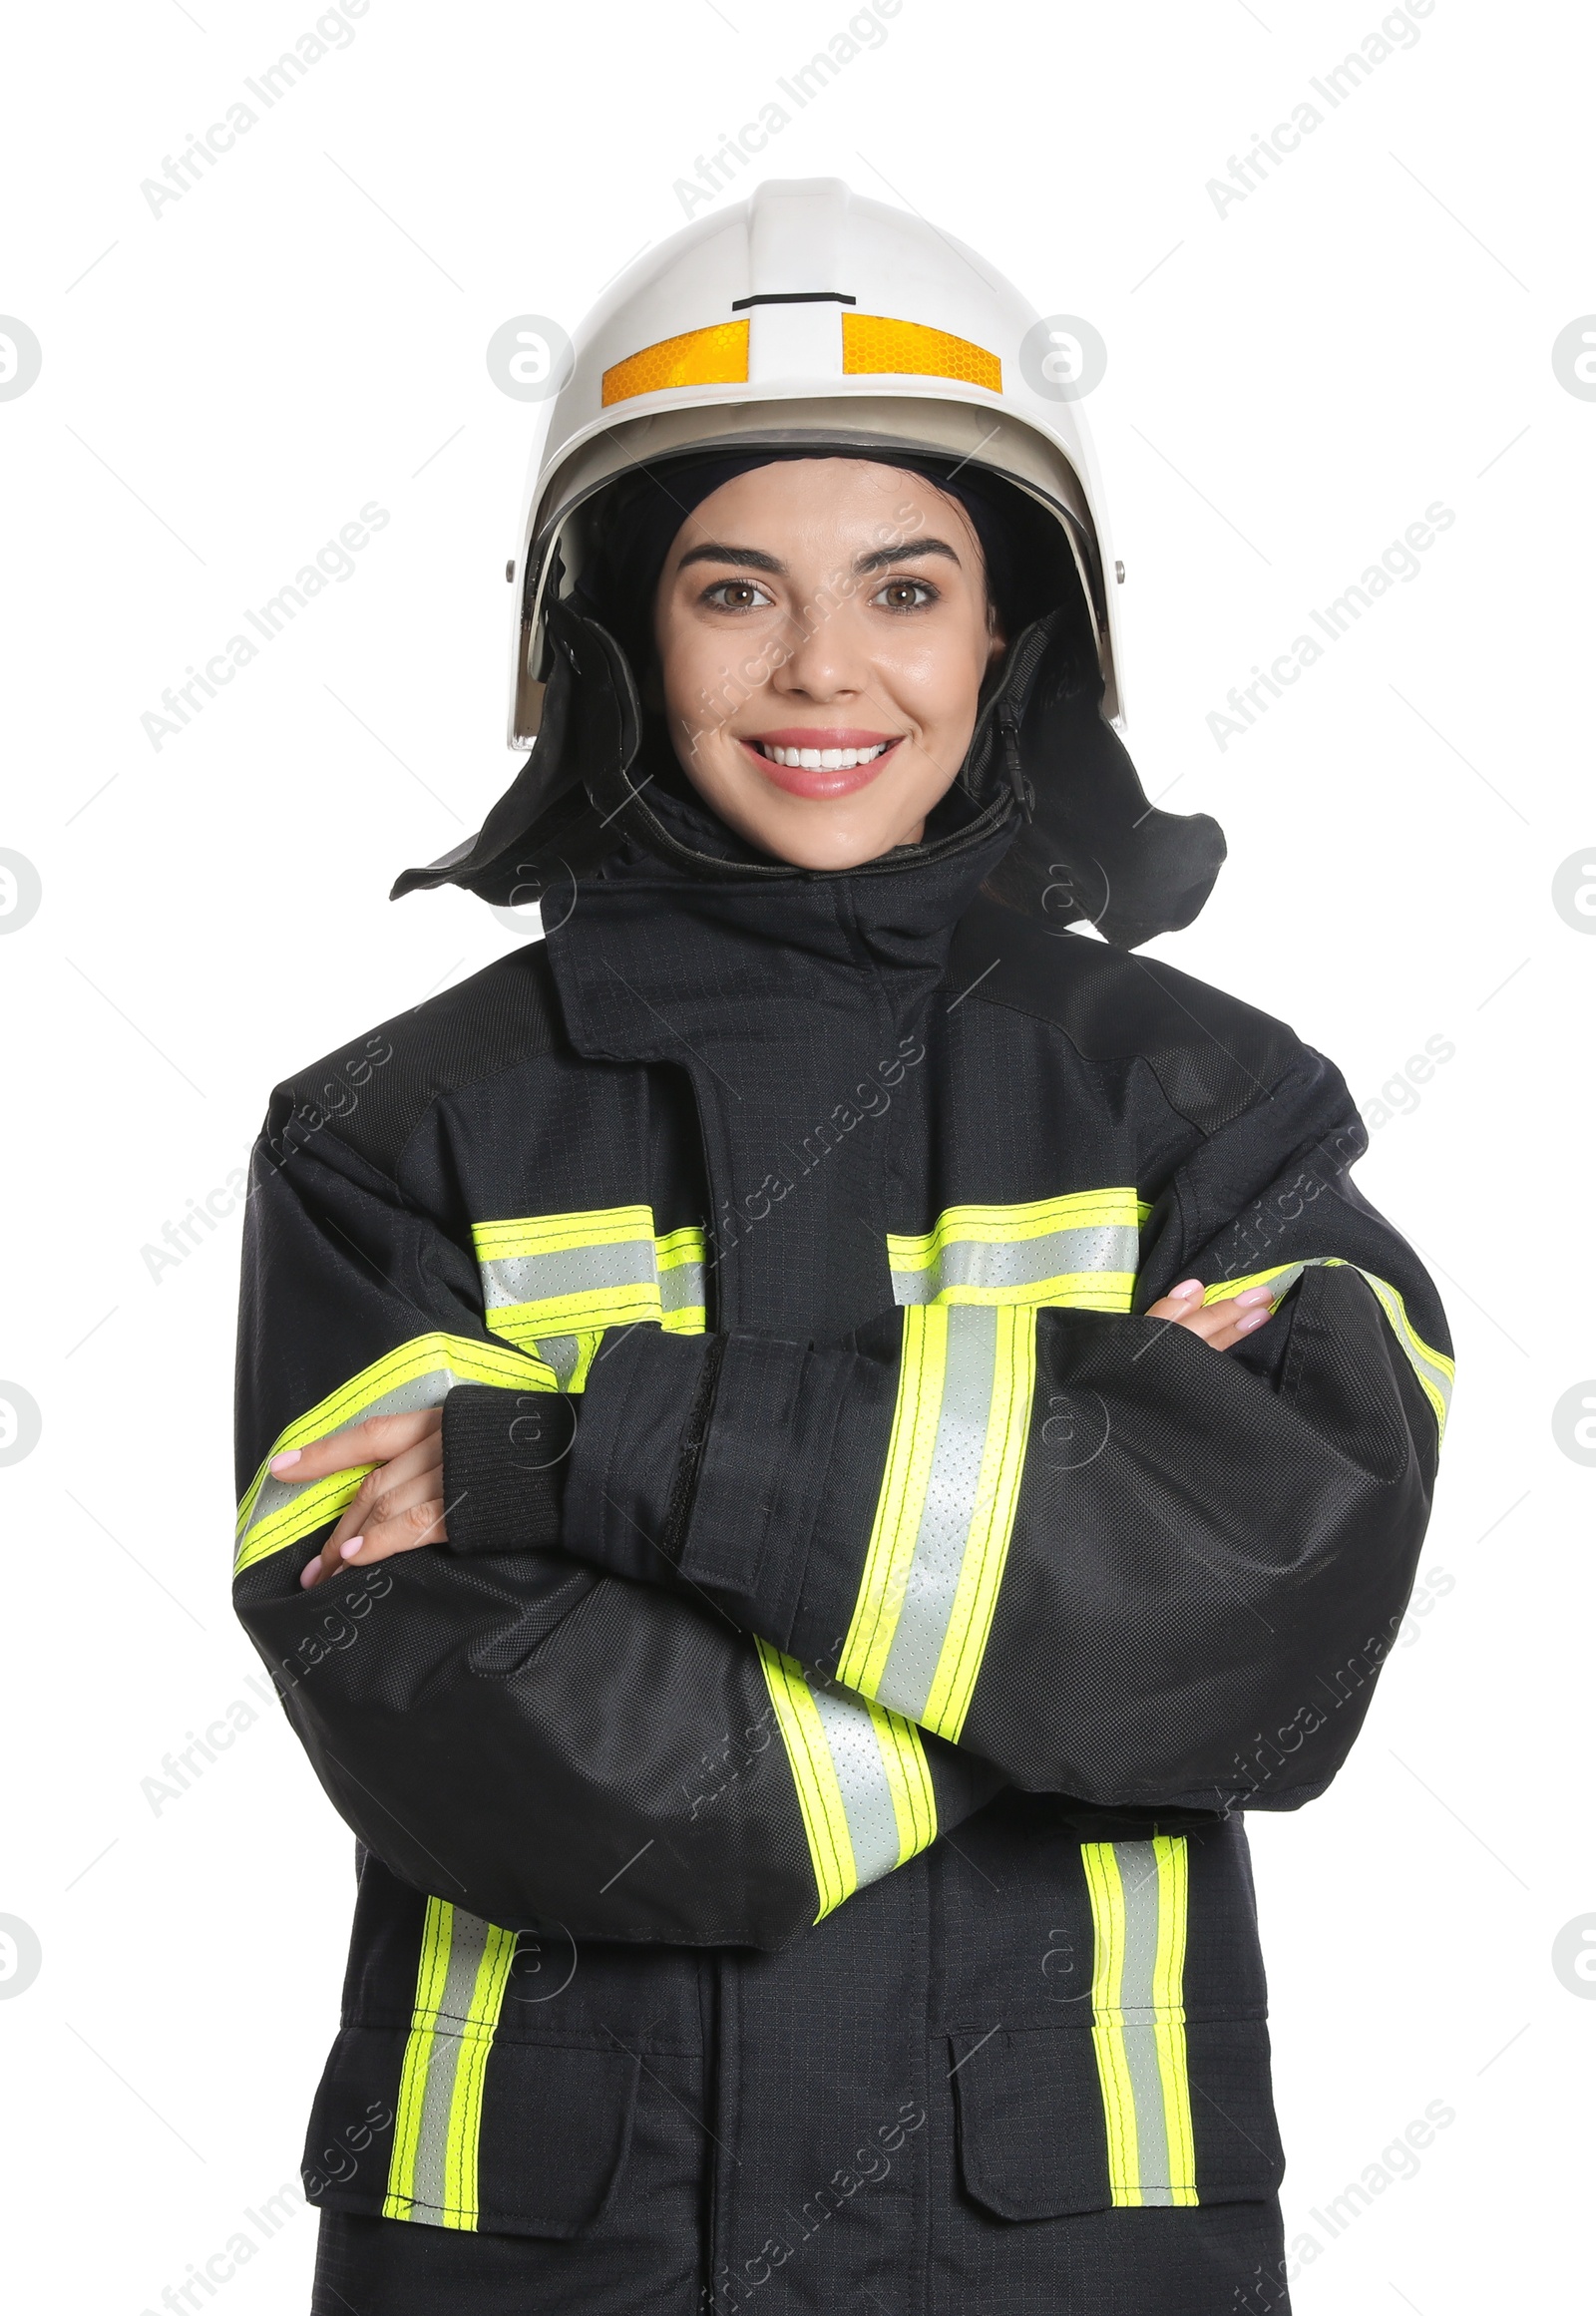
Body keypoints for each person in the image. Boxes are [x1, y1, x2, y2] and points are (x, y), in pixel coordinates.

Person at [232, 179, 1451, 2316]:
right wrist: (1073, 1644)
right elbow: (510, 1767)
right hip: (553, 2265)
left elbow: (1277, 1629)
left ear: (1012, 634)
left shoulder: (1205, 1107)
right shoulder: (382, 1142)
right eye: (731, 589)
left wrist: (565, 1459)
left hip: (1058, 2258)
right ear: (605, 629)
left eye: (904, 584)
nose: (822, 668)